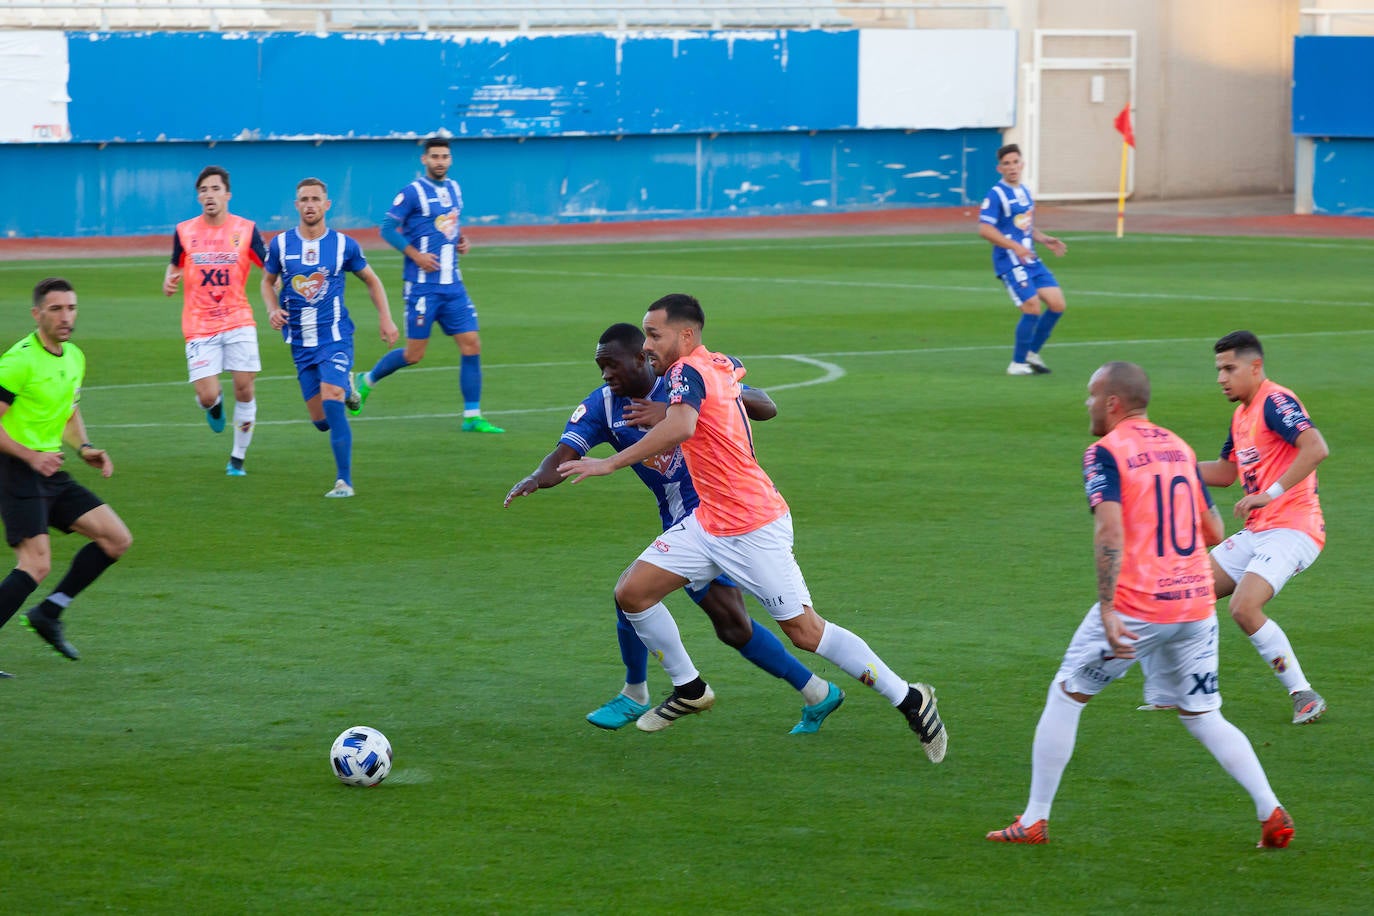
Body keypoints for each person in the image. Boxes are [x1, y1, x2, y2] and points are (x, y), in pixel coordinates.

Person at [558, 295, 946, 760]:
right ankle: (690, 687)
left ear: (686, 335)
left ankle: (909, 697)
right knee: (633, 592)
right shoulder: (715, 364)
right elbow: (726, 397)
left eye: (655, 335)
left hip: (751, 525)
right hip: (708, 522)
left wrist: (609, 464)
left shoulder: (685, 374)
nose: (647, 345)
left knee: (806, 632)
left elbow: (682, 426)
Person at [986, 361, 1293, 848]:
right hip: (1195, 605)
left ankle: (1034, 820)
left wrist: (1108, 607)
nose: (1086, 405)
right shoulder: (1178, 446)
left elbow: (1110, 529)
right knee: (1203, 715)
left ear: (1112, 403)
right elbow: (1214, 532)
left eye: (1090, 396)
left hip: (1139, 605)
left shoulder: (1104, 452)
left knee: (1066, 695)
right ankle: (1270, 810)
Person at [505, 322, 845, 734]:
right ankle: (815, 691)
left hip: (724, 520)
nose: (605, 374)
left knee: (636, 596)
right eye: (600, 367)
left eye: (611, 364)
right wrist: (535, 479)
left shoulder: (683, 382)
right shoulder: (603, 407)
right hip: (688, 526)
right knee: (728, 625)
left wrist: (681, 408)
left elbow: (766, 405)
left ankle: (642, 692)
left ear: (642, 359)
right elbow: (562, 455)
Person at [1141, 331, 1328, 724]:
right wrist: (1171, 468)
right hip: (1260, 530)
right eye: (1218, 370)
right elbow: (1228, 473)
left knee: (1243, 607)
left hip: (1295, 527)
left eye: (1229, 368)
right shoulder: (1241, 414)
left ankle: (1303, 694)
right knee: (1182, 593)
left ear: (1255, 367)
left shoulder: (1275, 401)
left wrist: (1270, 493)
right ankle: (1173, 690)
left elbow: (1316, 448)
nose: (1221, 378)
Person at [0, 278, 133, 672]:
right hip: (15, 470)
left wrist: (85, 447)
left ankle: (49, 613)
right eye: (55, 309)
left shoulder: (73, 357)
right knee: (35, 564)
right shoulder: (17, 361)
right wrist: (30, 455)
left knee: (116, 539)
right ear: (37, 313)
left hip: (49, 469)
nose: (65, 316)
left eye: (71, 308)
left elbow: (69, 412)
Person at [260, 178, 399, 498]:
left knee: (332, 398)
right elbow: (267, 282)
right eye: (303, 199)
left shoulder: (343, 245)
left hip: (334, 338)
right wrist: (270, 310)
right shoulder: (281, 245)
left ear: (327, 205)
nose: (309, 204)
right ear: (296, 205)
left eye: (315, 199)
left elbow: (372, 280)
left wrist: (385, 317)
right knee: (321, 420)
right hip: (299, 343)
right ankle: (349, 385)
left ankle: (343, 481)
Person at [352, 137, 502, 434]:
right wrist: (416, 255)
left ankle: (472, 415)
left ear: (450, 159)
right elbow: (386, 229)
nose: (440, 161)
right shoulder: (412, 192)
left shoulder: (455, 189)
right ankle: (365, 380)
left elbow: (449, 225)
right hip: (422, 287)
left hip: (453, 285)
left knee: (472, 344)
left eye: (445, 156)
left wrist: (460, 240)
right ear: (424, 159)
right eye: (434, 156)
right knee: (414, 354)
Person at [162, 165, 267, 476]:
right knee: (207, 395)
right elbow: (174, 266)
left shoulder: (246, 230)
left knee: (244, 389)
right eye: (204, 190)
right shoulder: (185, 231)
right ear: (198, 197)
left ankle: (237, 458)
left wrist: (277, 284)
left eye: (215, 189)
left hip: (238, 318)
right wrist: (169, 280)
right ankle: (214, 405)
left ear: (227, 194)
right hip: (199, 323)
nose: (209, 195)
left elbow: (268, 266)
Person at [977, 143, 1068, 376]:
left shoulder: (1025, 192)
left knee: (1057, 304)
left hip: (1030, 258)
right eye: (1006, 164)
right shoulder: (996, 195)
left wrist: (1043, 238)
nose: (1012, 167)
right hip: (1010, 260)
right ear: (1000, 168)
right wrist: (1014, 246)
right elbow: (985, 230)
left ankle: (1031, 352)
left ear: (1022, 164)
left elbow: (1024, 226)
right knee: (1032, 307)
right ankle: (1017, 363)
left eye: (1015, 162)